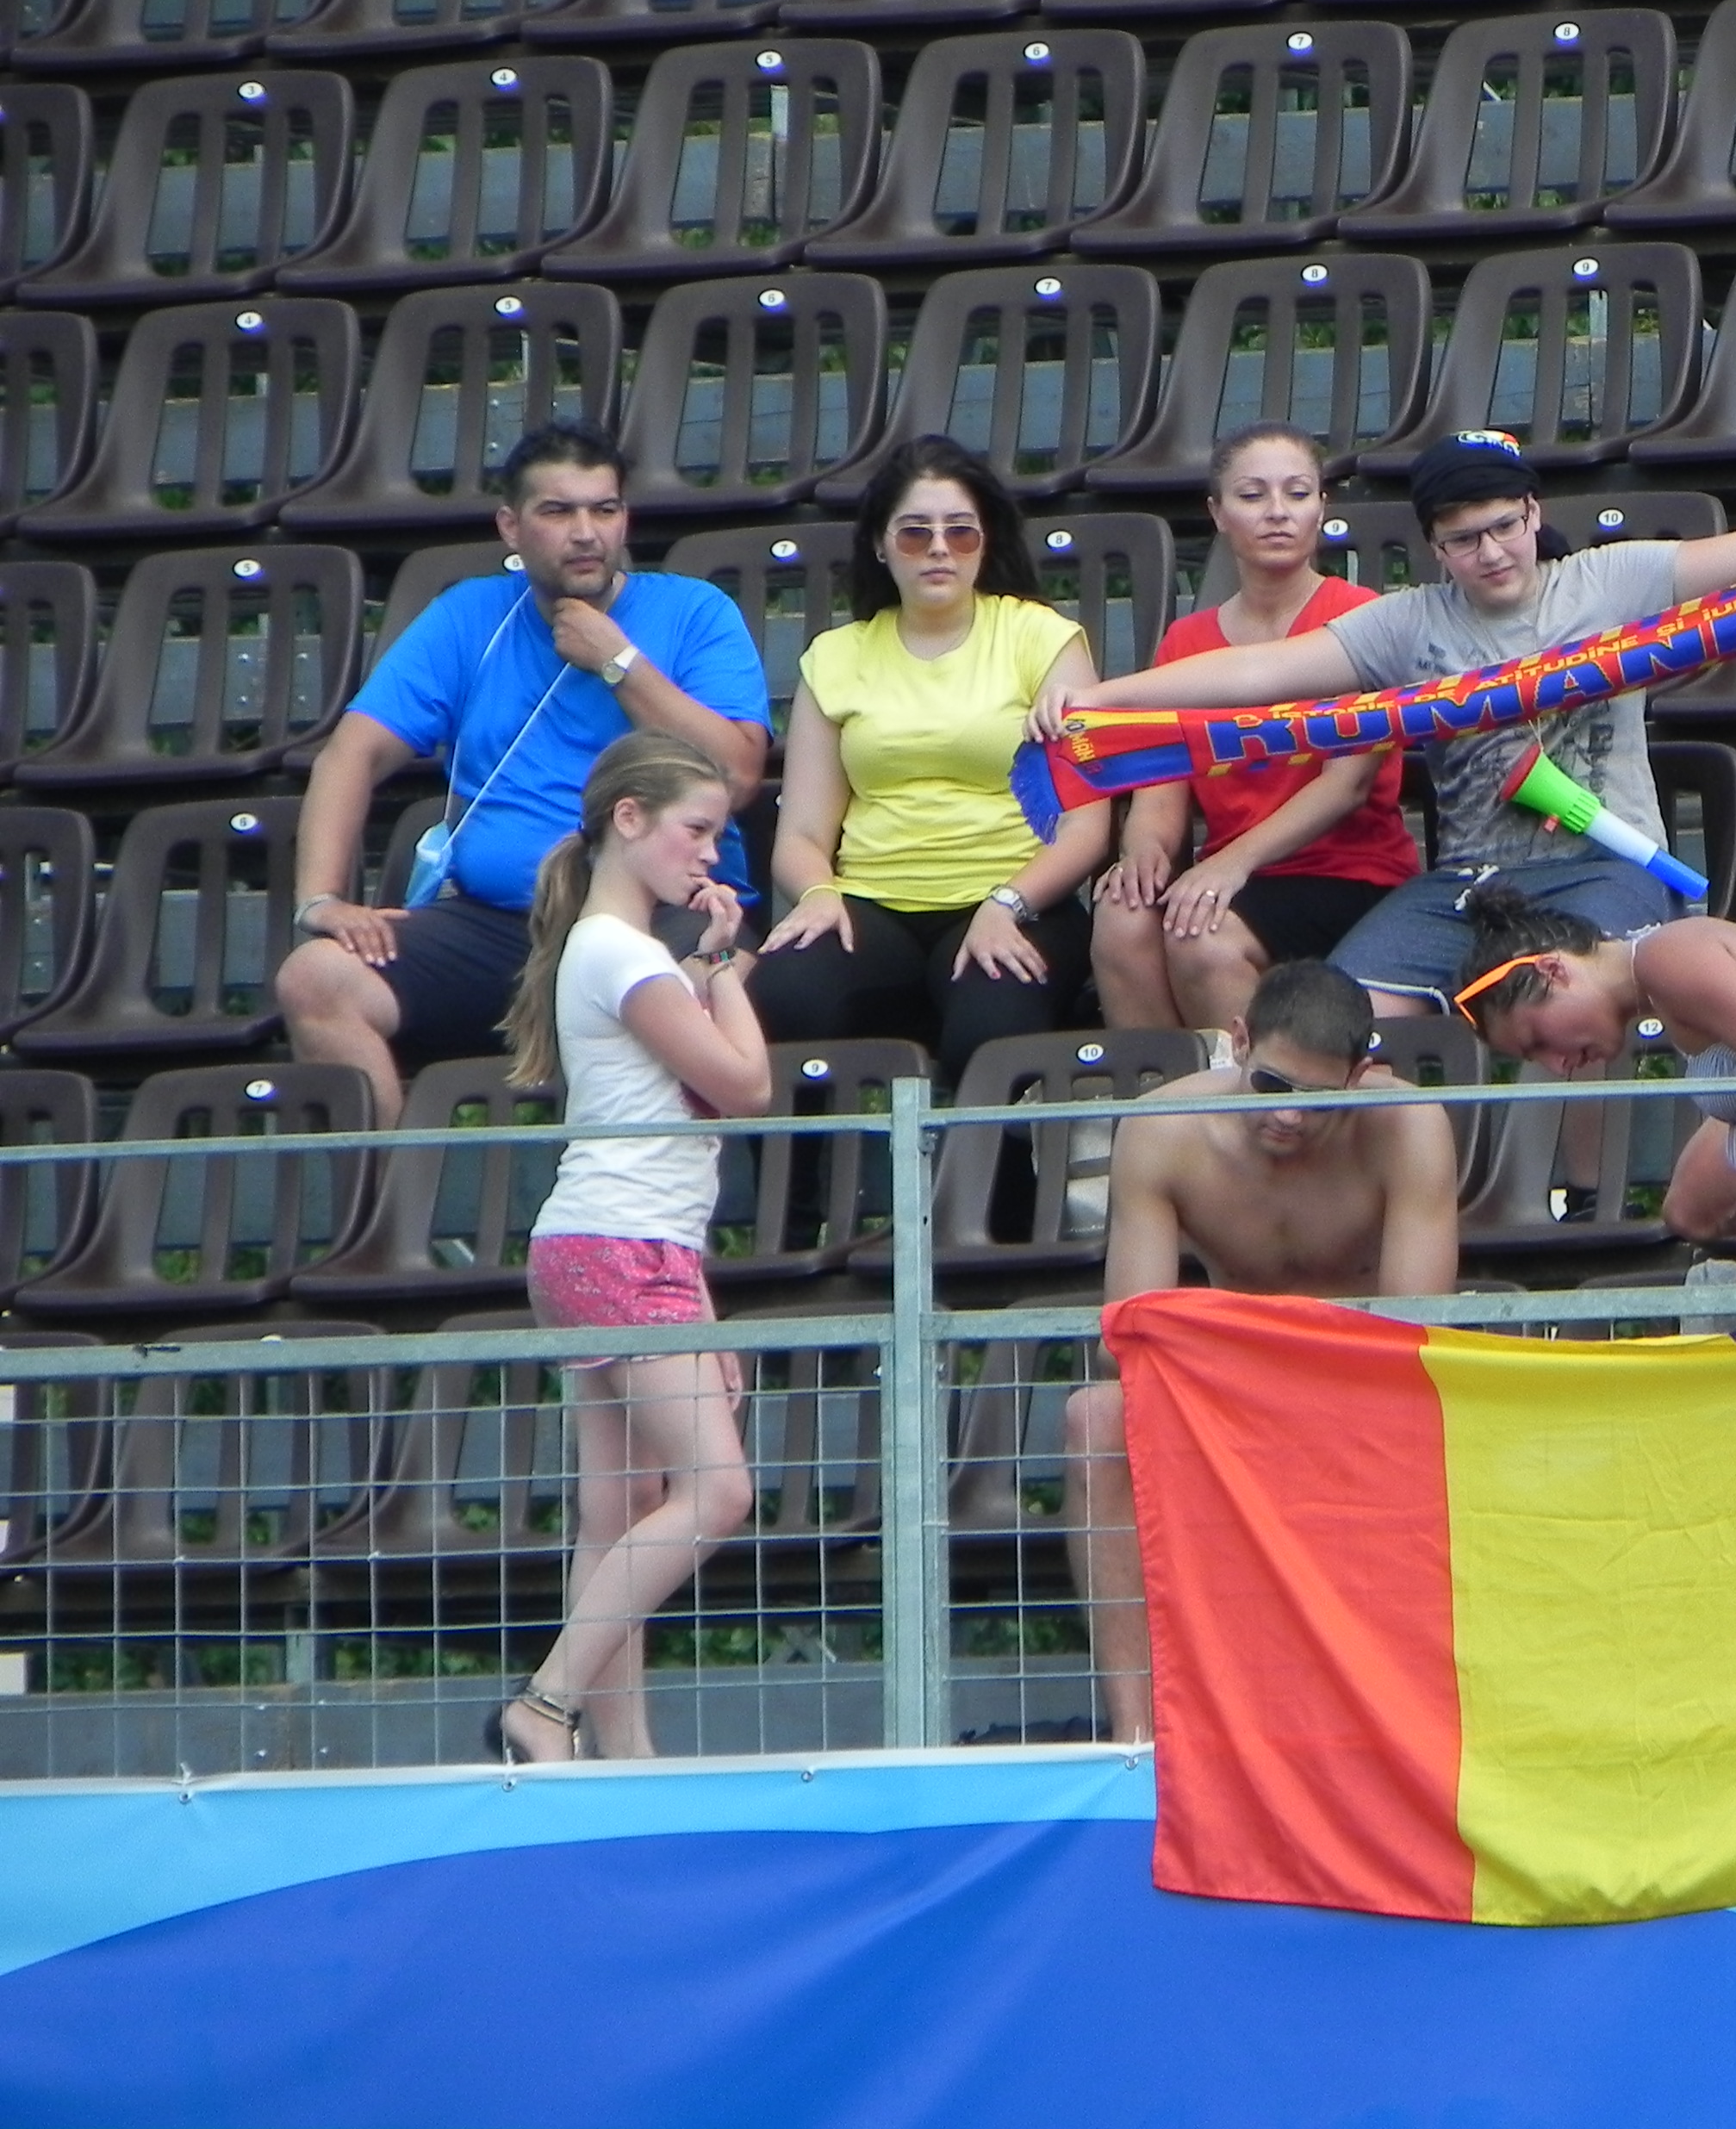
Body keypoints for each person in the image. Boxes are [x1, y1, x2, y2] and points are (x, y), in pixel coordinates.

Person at [1038, 428, 1736, 1015]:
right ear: (1435, 548)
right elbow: (1263, 672)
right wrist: (1108, 699)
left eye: (1505, 526)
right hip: (1467, 879)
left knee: (1571, 995)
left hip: (1609, 863)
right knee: (1353, 1013)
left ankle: (1572, 1197)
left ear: (1534, 514)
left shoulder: (1610, 578)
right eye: (1465, 539)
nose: (1492, 551)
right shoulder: (1408, 621)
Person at [277, 422, 769, 1124]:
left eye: (605, 510)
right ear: (511, 526)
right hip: (498, 927)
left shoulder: (693, 612)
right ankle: (385, 1195)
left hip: (667, 916)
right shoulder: (469, 615)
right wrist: (320, 901)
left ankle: (650, 1201)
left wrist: (618, 662)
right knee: (316, 979)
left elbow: (739, 776)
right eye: (558, 511)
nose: (586, 533)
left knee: (697, 996)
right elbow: (351, 755)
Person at [1063, 961, 1461, 1742]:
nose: (1289, 1117)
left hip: (1364, 1395)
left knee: (1431, 1413)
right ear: (1239, 1043)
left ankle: (1410, 1731)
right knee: (1094, 1420)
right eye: (1272, 1086)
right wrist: (1245, 1374)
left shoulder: (1409, 1126)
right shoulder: (1164, 1129)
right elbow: (1129, 1341)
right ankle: (1138, 1743)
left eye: (1317, 1099)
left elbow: (1412, 1337)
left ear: (1361, 1076)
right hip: (1227, 1393)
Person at [489, 731, 771, 1765]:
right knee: (718, 1491)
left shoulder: (615, 952)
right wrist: (726, 969)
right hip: (623, 1247)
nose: (709, 853)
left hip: (607, 1243)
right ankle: (548, 1702)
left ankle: (623, 1751)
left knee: (618, 1513)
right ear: (629, 819)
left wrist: (700, 1306)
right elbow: (744, 1087)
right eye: (697, 830)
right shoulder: (624, 953)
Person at [750, 436, 1112, 1076]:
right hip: (870, 901)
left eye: (961, 533)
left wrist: (1007, 904)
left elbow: (1086, 825)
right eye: (916, 534)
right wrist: (817, 894)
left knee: (992, 1027)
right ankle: (825, 1149)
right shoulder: (836, 657)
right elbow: (802, 832)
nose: (940, 549)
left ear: (986, 542)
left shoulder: (1041, 638)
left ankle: (988, 1152)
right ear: (880, 544)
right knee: (786, 997)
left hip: (1018, 896)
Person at [1090, 424, 1420, 1032]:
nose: (1277, 512)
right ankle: (1169, 1087)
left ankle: (1249, 1086)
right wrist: (1143, 852)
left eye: (1297, 493)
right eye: (1252, 495)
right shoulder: (1186, 642)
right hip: (1239, 875)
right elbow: (1161, 790)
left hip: (1346, 872)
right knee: (1121, 911)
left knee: (1201, 935)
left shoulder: (1362, 618)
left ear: (1322, 506)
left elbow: (1346, 786)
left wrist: (1229, 865)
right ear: (1217, 513)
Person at [1447, 884, 1736, 1281]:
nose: (1557, 1066)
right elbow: (1693, 1208)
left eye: (1538, 1040)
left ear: (1554, 972)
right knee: (1688, 1211)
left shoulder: (1666, 957)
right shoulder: (1660, 976)